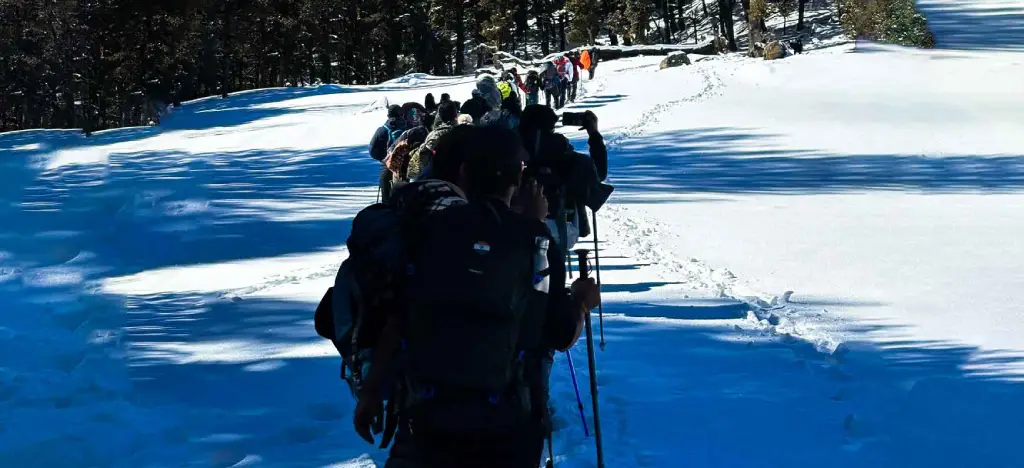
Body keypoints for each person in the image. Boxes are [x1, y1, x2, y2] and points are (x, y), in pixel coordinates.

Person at [354, 126, 598, 468]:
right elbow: (558, 332)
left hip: (425, 420)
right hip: (507, 429)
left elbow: (399, 316)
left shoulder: (427, 228)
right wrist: (583, 301)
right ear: (519, 177)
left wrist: (371, 391)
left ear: (464, 172)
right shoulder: (535, 241)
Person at [518, 104, 610, 252]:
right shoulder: (560, 150)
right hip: (556, 224)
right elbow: (599, 173)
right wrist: (593, 133)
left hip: (508, 223)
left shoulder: (508, 148)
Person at [406, 100, 459, 181]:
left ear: (440, 116)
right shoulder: (464, 130)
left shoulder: (435, 135)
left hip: (437, 178)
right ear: (456, 114)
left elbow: (422, 160)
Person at [370, 105, 409, 204]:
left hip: (387, 165)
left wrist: (383, 158)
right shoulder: (408, 127)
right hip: (406, 164)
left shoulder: (382, 130)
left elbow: (372, 150)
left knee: (386, 196)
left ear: (388, 115)